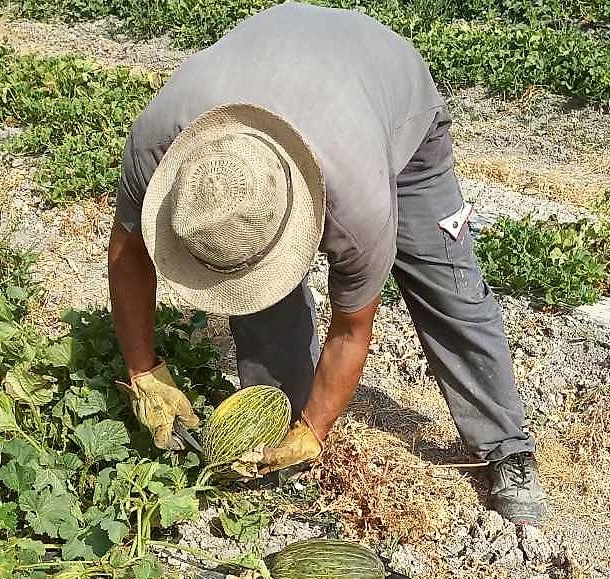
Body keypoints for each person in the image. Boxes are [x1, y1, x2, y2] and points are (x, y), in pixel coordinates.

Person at [107, 2, 548, 525]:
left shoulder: (357, 206)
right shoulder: (159, 148)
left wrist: (316, 433)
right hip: (285, 56)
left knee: (445, 282)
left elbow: (351, 330)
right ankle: (276, 428)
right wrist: (143, 371)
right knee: (256, 297)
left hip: (388, 89)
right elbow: (128, 251)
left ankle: (505, 446)